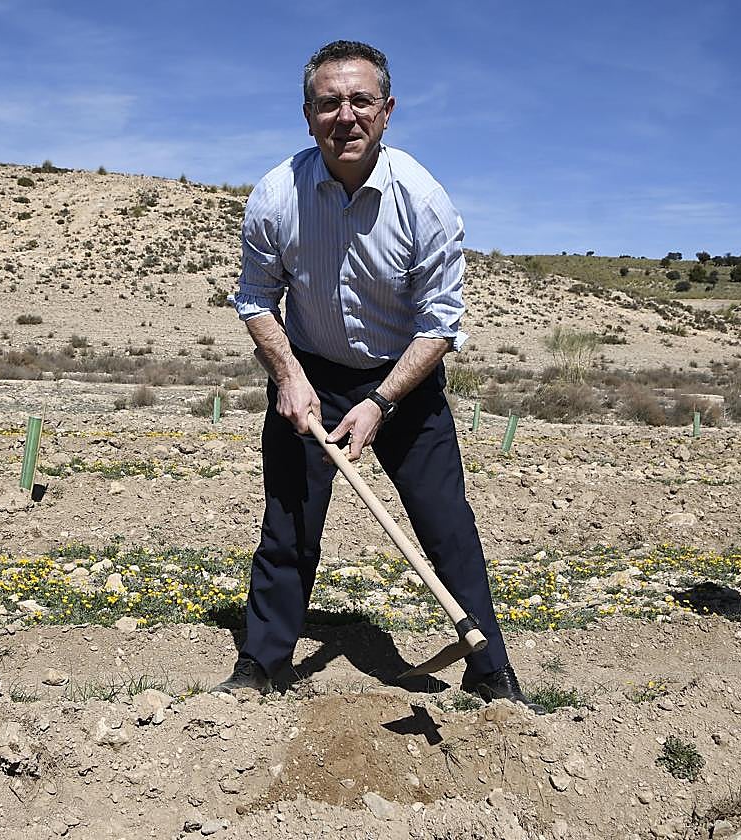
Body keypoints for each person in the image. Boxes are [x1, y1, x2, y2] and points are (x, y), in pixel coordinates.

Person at [214, 41, 539, 712]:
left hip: (405, 383)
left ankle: (490, 672)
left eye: (361, 101)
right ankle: (262, 663)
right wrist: (289, 375)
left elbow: (441, 326)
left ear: (387, 112)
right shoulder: (277, 195)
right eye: (329, 102)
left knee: (447, 524)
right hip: (310, 373)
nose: (345, 116)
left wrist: (382, 403)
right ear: (308, 116)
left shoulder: (424, 202)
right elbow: (255, 299)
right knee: (289, 524)